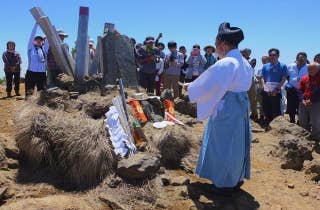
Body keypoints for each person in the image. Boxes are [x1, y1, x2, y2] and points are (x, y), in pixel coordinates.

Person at [186, 22, 252, 194]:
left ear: (222, 43)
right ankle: (235, 178)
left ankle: (223, 184)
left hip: (227, 107)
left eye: (216, 45)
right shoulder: (244, 62)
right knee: (237, 144)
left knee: (223, 143)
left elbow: (209, 85)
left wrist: (190, 88)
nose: (216, 49)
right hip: (241, 107)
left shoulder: (227, 62)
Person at [260, 48, 288, 128]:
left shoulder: (282, 66)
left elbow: (284, 78)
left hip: (276, 91)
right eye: (270, 55)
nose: (271, 56)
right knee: (266, 109)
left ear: (278, 56)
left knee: (276, 110)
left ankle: (276, 128)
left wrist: (277, 89)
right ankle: (267, 126)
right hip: (266, 91)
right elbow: (262, 78)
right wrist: (265, 88)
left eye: (274, 55)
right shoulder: (265, 66)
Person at [298, 62, 320, 142]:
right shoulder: (304, 78)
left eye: (312, 69)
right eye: (308, 69)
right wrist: (302, 99)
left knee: (315, 121)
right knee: (302, 120)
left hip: (316, 103)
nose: (309, 70)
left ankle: (316, 137)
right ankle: (305, 136)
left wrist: (312, 100)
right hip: (303, 102)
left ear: (317, 69)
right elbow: (300, 90)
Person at [25, 23, 49, 96]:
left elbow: (48, 38)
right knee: (29, 92)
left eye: (40, 40)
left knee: (42, 93)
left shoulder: (45, 50)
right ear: (33, 41)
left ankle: (39, 107)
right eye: (37, 39)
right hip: (31, 73)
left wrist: (45, 27)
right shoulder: (30, 48)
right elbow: (32, 35)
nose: (39, 41)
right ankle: (28, 106)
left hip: (42, 74)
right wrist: (36, 25)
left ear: (43, 42)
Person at [285, 52, 308, 123]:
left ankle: (299, 120)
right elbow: (287, 76)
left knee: (301, 107)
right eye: (299, 58)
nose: (300, 60)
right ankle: (292, 120)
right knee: (291, 106)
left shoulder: (308, 67)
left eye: (302, 58)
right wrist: (289, 85)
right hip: (291, 90)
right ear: (296, 58)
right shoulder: (290, 66)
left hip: (303, 90)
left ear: (306, 59)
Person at [241, 48, 258, 120]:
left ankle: (254, 114)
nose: (243, 53)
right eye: (242, 52)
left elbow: (249, 66)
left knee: (252, 98)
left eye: (244, 52)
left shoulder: (252, 59)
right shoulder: (240, 59)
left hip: (250, 80)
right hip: (242, 80)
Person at [256, 56, 269, 120]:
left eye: (265, 60)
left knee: (266, 103)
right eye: (262, 60)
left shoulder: (269, 68)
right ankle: (261, 115)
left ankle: (266, 116)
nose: (263, 61)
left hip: (267, 88)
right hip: (260, 87)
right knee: (260, 102)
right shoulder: (260, 69)